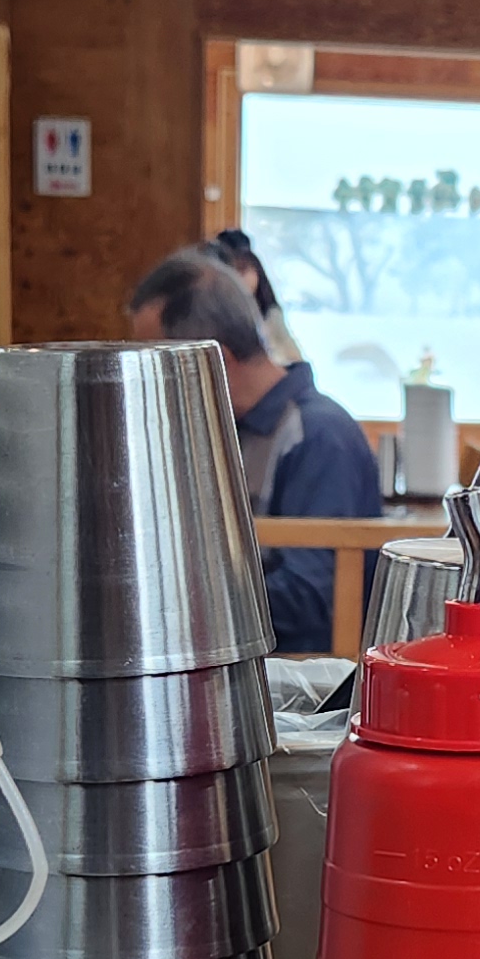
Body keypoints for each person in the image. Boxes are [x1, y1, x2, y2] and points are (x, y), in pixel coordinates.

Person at [126, 246, 379, 653]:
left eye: (160, 369)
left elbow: (311, 599)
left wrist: (173, 600)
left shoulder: (318, 436)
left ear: (218, 363)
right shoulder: (229, 428)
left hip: (300, 675)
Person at [204, 227, 303, 364]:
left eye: (242, 269)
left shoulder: (270, 314)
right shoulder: (212, 315)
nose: (238, 279)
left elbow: (294, 359)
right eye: (231, 272)